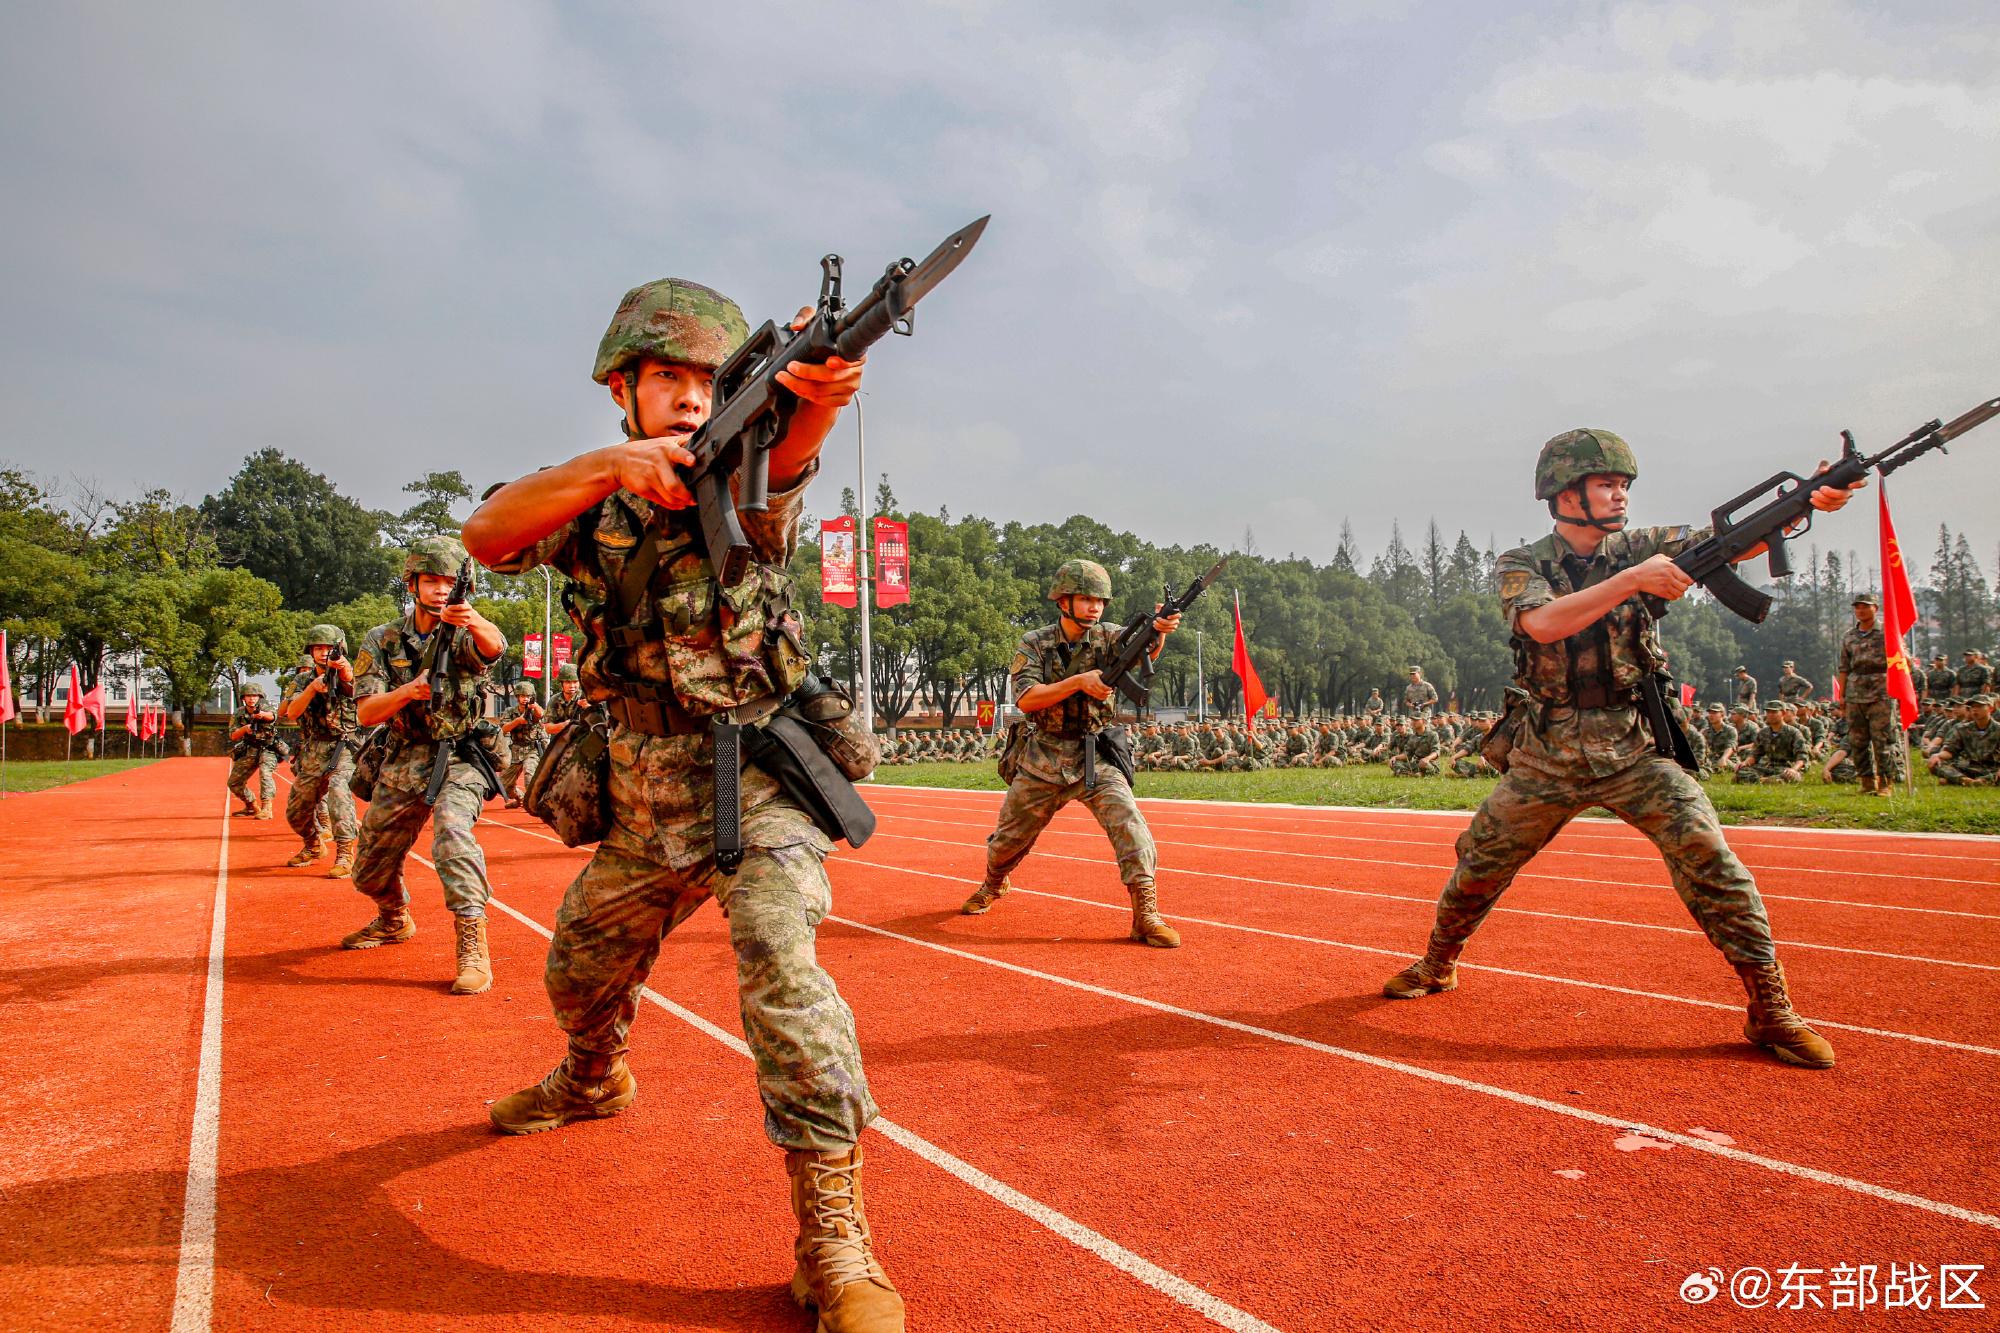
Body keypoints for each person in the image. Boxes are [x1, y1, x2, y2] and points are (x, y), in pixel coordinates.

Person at [462, 277, 904, 1331]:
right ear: (621, 389)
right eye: (669, 377)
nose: (693, 397)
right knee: (575, 968)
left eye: (708, 380)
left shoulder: (748, 476)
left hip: (756, 780)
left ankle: (833, 1239)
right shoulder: (588, 499)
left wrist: (820, 397)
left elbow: (787, 462)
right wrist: (609, 468)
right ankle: (591, 1076)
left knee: (783, 967)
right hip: (639, 796)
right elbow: (485, 536)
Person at [1381, 427, 1862, 1069]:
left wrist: (1806, 502)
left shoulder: (1644, 544)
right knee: (1482, 861)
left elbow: (1727, 543)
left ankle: (1770, 1008)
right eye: (1606, 484)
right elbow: (1542, 623)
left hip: (1635, 747)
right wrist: (1634, 579)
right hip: (1548, 752)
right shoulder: (1524, 563)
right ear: (1565, 495)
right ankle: (1438, 963)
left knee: (1712, 859)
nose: (1620, 495)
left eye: (1624, 484)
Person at [961, 559, 1184, 949]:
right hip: (1043, 755)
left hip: (1095, 754)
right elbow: (1027, 699)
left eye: (1100, 601)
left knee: (1130, 825)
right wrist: (1079, 681)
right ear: (1063, 601)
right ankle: (994, 883)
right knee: (1007, 841)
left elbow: (1139, 651)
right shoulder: (1035, 643)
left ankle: (1146, 914)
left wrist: (1159, 632)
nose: (1094, 607)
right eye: (1085, 599)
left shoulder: (1110, 636)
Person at [343, 536, 508, 997]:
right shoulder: (382, 639)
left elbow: (494, 647)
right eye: (431, 580)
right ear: (412, 583)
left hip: (459, 755)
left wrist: (471, 619)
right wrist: (407, 692)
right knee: (368, 868)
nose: (440, 590)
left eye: (449, 582)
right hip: (403, 755)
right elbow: (366, 712)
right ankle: (393, 917)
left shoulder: (466, 631)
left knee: (453, 833)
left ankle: (472, 942)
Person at [281, 624, 360, 874]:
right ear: (311, 651)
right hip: (314, 747)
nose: (324, 652)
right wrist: (312, 688)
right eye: (318, 648)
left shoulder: (352, 672)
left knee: (338, 793)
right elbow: (291, 712)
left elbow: (359, 691)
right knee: (296, 810)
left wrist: (344, 672)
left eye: (329, 648)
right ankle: (313, 844)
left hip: (344, 745)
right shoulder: (302, 680)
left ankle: (345, 854)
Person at [1835, 593, 1896, 795]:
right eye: (1857, 607)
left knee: (1882, 739)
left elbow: (1901, 660)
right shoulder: (1849, 636)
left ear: (1875, 608)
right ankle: (1867, 781)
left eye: (1865, 606)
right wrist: (1842, 695)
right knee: (1857, 740)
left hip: (1881, 690)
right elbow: (1844, 668)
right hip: (1855, 691)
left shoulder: (1887, 632)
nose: (1860, 610)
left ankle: (1885, 782)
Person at [226, 683, 279, 819]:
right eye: (248, 696)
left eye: (255, 696)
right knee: (234, 782)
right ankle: (251, 805)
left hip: (268, 748)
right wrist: (244, 729)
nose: (251, 699)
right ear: (243, 698)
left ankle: (267, 808)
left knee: (265, 774)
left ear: (259, 697)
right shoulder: (239, 713)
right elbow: (233, 735)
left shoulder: (265, 708)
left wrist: (261, 715)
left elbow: (272, 716)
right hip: (250, 749)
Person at [498, 680, 548, 808]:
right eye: (522, 696)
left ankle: (533, 804)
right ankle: (521, 798)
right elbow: (504, 729)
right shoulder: (510, 712)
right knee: (503, 785)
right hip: (515, 750)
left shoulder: (534, 709)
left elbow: (541, 714)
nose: (525, 699)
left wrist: (534, 706)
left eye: (528, 696)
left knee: (529, 777)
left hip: (532, 749)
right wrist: (518, 721)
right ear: (517, 697)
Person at [1932, 694, 1997, 785]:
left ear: (1990, 708)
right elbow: (1949, 751)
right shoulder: (1962, 729)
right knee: (1935, 763)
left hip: (1993, 769)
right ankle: (1964, 780)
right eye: (1972, 707)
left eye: (1979, 706)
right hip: (1968, 768)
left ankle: (1982, 780)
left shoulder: (1998, 729)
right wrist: (1937, 756)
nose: (1975, 709)